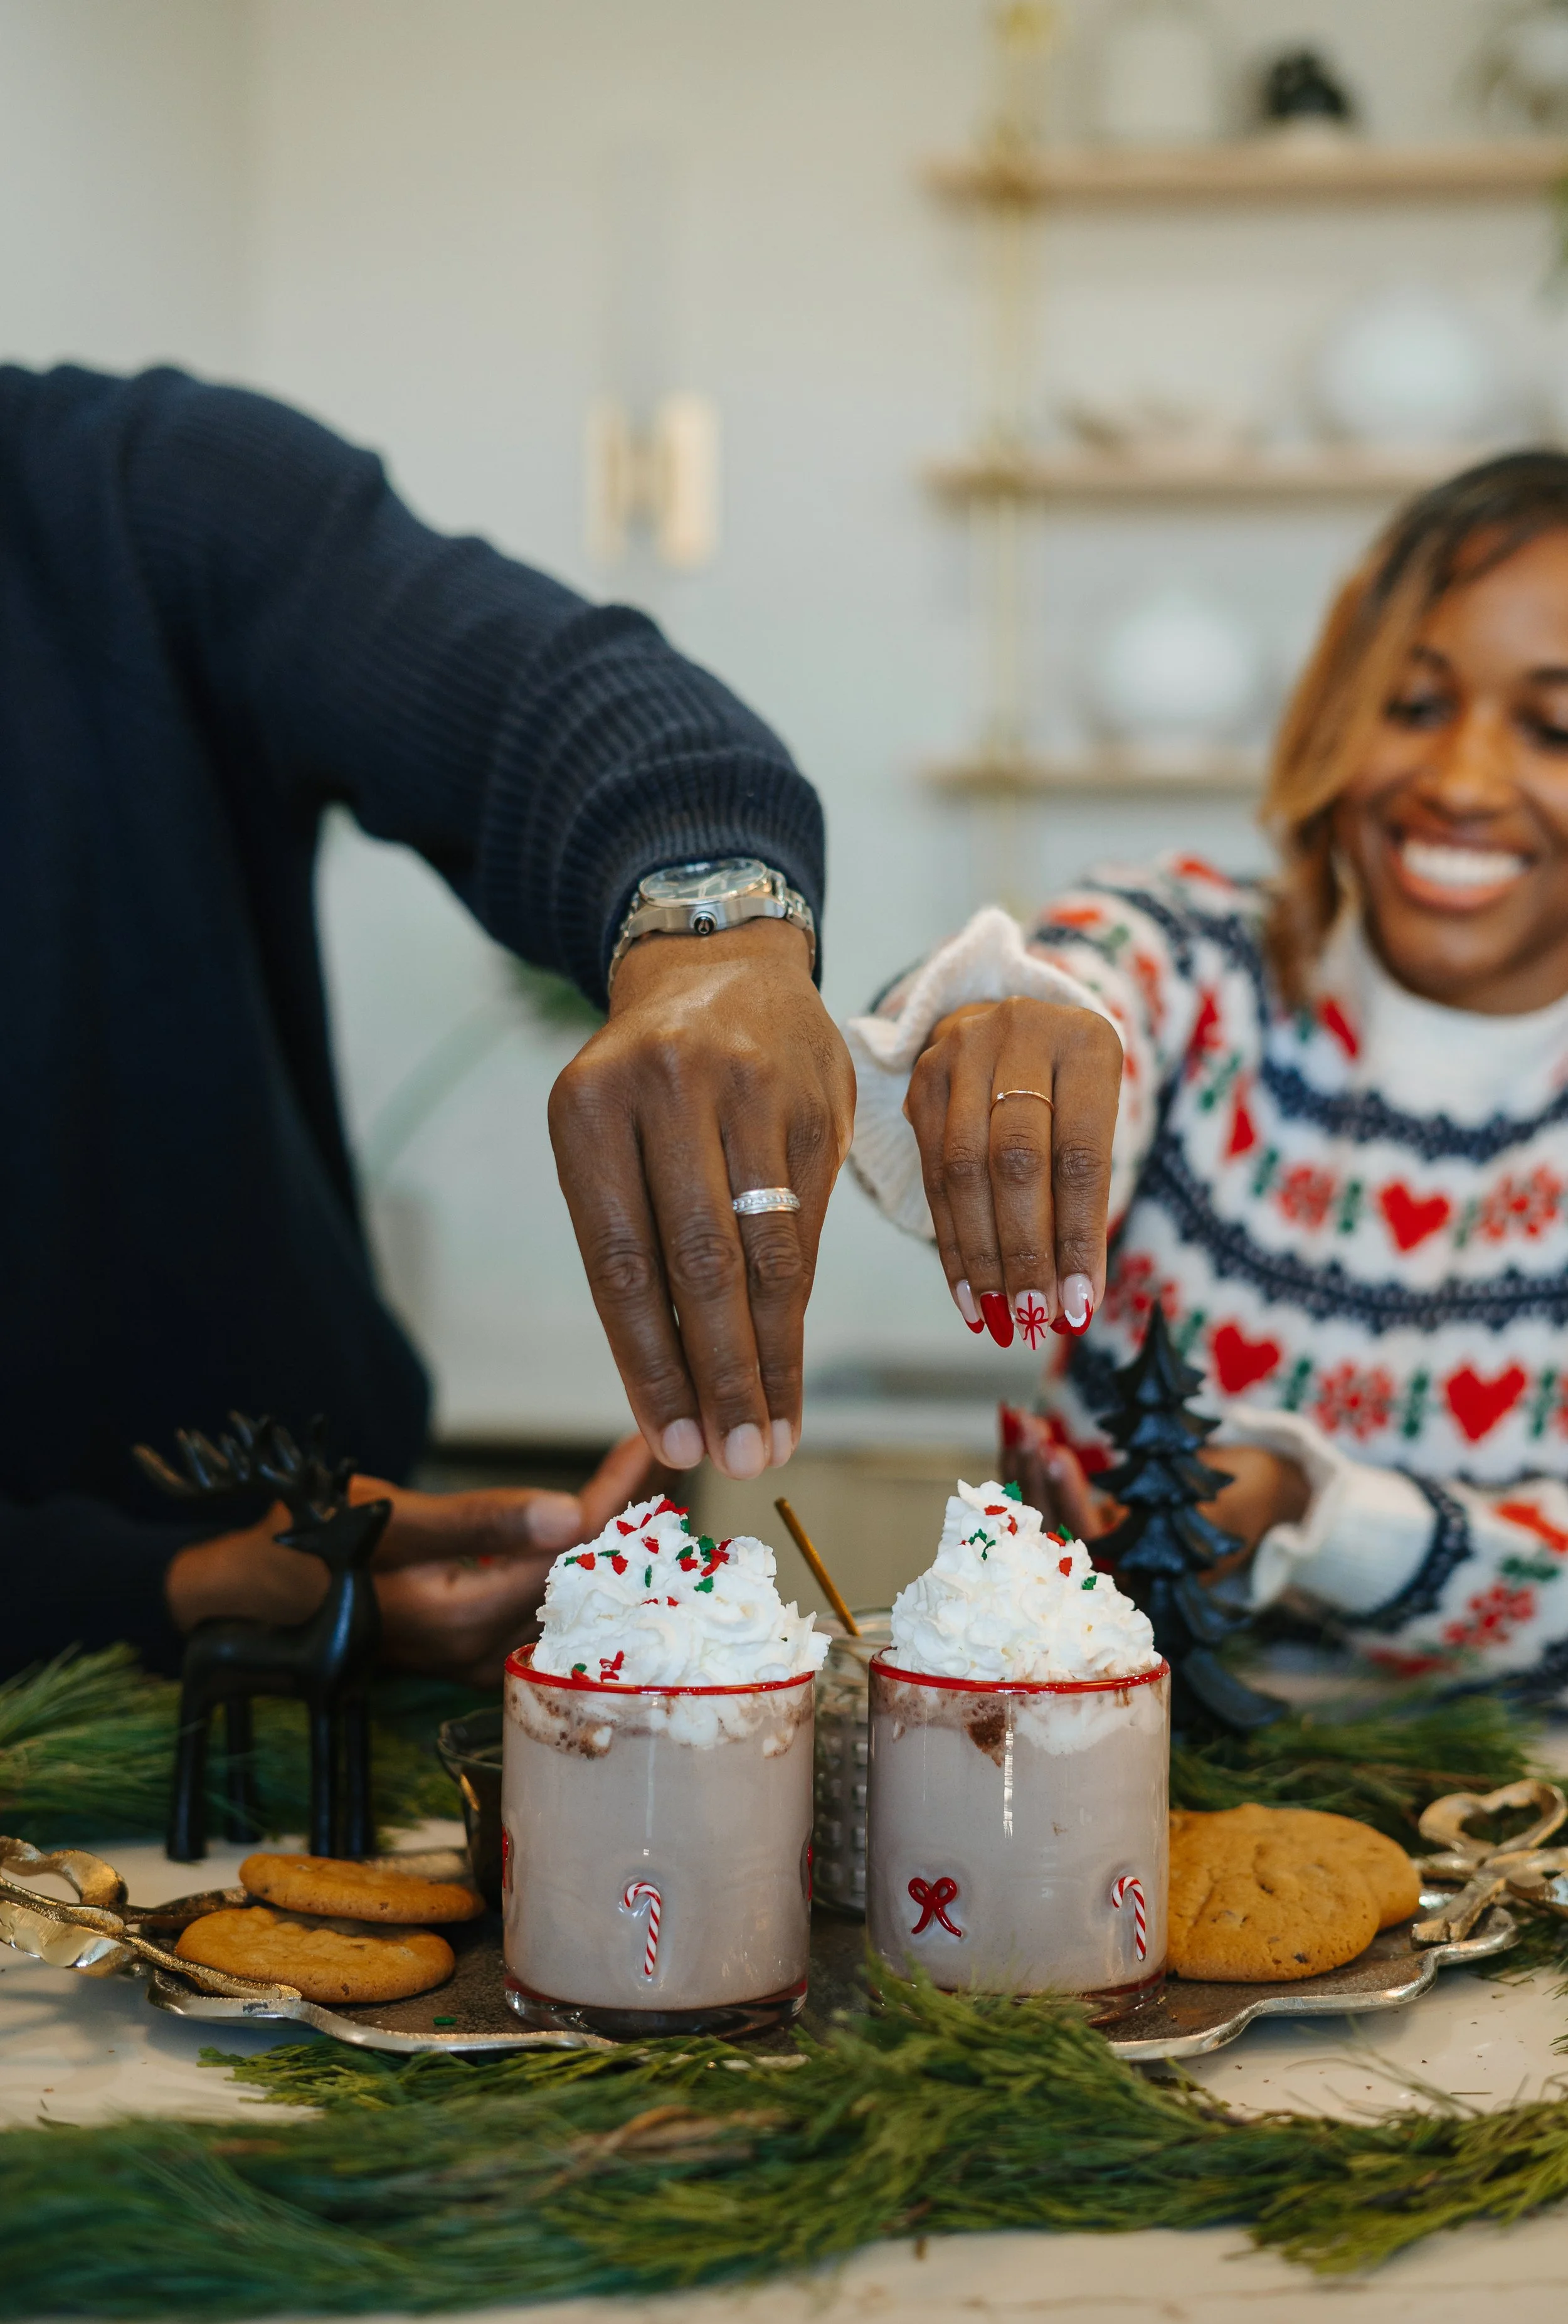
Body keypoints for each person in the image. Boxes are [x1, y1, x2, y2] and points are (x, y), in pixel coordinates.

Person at [0, 364, 853, 1684]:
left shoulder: (127, 488)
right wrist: (157, 1588)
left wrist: (706, 921)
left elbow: (535, 687)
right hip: (137, 1646)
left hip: (329, 1612)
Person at [847, 450, 1568, 1690]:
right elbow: (1071, 995)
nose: (1457, 782)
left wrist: (1307, 1507)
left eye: (1553, 728)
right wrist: (995, 1033)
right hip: (1106, 1781)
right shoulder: (1190, 960)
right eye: (1408, 705)